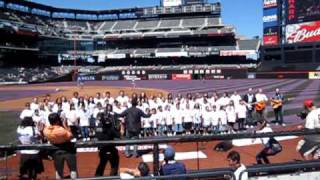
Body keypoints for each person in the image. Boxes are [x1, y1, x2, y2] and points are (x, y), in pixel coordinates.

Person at [43, 113, 77, 179]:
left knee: (58, 171)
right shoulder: (62, 130)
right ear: (58, 120)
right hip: (68, 150)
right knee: (73, 169)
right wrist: (65, 125)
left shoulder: (46, 130)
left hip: (56, 151)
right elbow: (71, 136)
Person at [95, 104, 121, 176]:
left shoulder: (99, 127)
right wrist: (118, 127)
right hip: (111, 150)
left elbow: (97, 135)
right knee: (114, 166)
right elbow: (118, 135)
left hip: (102, 150)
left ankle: (97, 177)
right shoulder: (111, 127)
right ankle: (112, 177)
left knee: (101, 165)